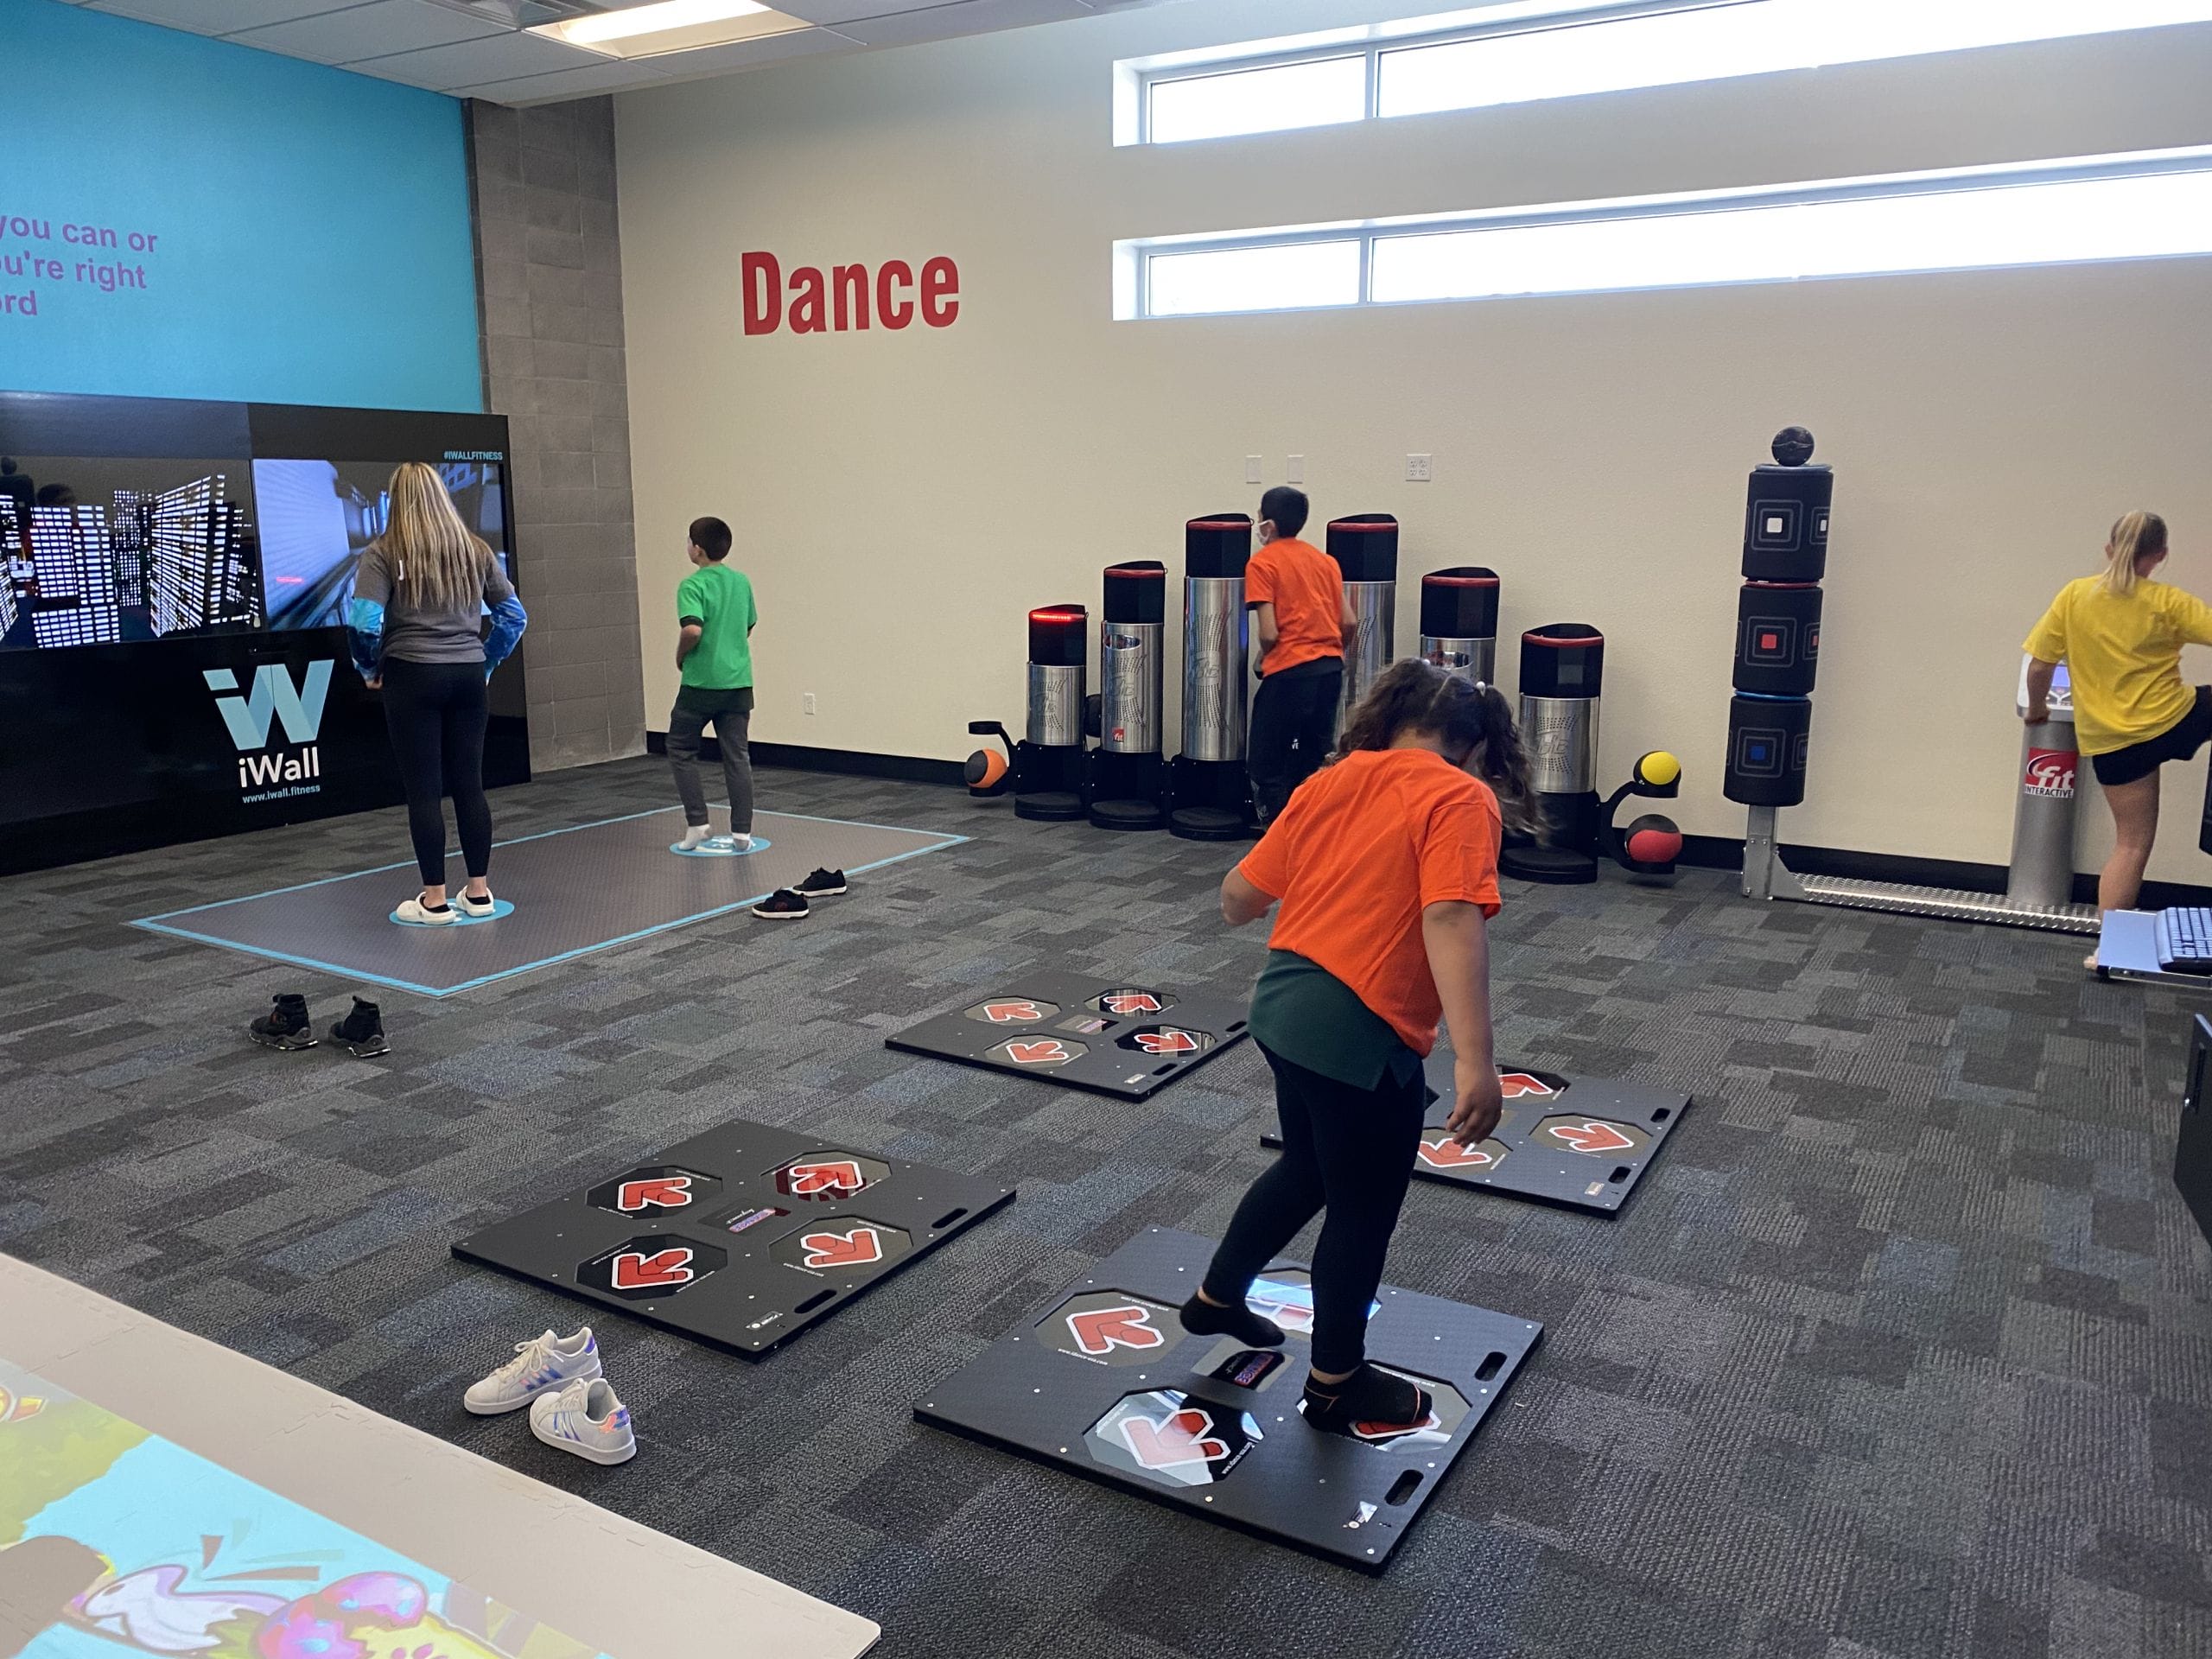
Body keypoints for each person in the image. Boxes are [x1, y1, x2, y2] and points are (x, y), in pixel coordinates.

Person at [1179, 659, 1530, 1433]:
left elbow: (1237, 899)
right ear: (1474, 745)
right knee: (1364, 1210)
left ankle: (1216, 1298)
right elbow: (1449, 918)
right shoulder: (1460, 795)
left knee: (1309, 1166)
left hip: (1282, 1011)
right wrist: (1477, 1060)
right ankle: (1336, 1385)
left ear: (1391, 719)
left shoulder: (1331, 781)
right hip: (1355, 1032)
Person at [347, 462, 526, 925]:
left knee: (424, 790)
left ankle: (434, 901)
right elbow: (513, 617)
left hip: (412, 676)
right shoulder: (476, 549)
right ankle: (480, 892)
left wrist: (369, 668)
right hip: (468, 676)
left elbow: (365, 622)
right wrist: (486, 662)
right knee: (470, 783)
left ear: (396, 500)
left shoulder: (383, 551)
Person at [2024, 512, 2212, 921]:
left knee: (2130, 846)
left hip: (2116, 743)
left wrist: (2037, 711)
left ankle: (2106, 951)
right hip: (2174, 721)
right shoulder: (2168, 602)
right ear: (2160, 555)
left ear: (2110, 549)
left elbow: (2039, 667)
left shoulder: (2074, 596)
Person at [1245, 486, 1356, 824]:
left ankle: (1278, 835)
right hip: (1329, 670)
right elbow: (1348, 622)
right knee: (1313, 759)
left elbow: (1269, 631)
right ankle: (1311, 831)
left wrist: (1264, 658)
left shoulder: (1262, 563)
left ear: (1268, 523)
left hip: (1289, 673)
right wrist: (1330, 653)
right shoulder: (1326, 562)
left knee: (1267, 761)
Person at [667, 515, 760, 852]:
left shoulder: (692, 585)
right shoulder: (742, 582)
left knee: (680, 748)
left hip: (701, 684)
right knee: (737, 755)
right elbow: (748, 626)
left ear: (698, 549)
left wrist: (680, 656)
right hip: (738, 683)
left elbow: (692, 629)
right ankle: (742, 833)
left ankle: (698, 822)